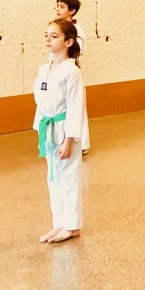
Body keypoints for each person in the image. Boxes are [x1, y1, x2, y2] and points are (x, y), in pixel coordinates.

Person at [33, 18, 86, 243]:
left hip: (65, 130)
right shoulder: (44, 69)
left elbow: (75, 106)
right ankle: (59, 223)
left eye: (54, 36)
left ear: (68, 42)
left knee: (69, 177)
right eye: (46, 35)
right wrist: (39, 129)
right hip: (48, 128)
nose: (48, 39)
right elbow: (41, 102)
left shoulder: (72, 71)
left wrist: (69, 139)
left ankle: (72, 226)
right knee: (53, 177)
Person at [55, 0, 90, 155]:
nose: (58, 9)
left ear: (72, 11)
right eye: (57, 6)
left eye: (62, 7)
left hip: (71, 72)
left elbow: (76, 53)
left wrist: (66, 66)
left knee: (76, 107)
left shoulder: (77, 30)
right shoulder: (57, 27)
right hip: (58, 72)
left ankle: (82, 144)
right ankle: (59, 140)